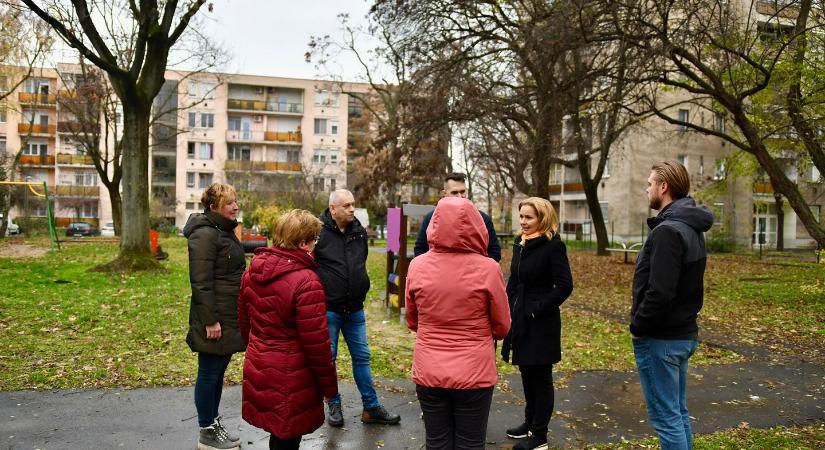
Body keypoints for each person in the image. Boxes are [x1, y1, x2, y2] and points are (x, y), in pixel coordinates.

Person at [406, 196, 511, 450]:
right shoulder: (488, 268)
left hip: (430, 368)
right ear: (477, 224)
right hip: (474, 372)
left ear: (435, 224)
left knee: (436, 441)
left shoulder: (417, 265)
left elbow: (412, 319)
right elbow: (502, 324)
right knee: (471, 443)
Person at [238, 209, 338, 450]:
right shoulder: (306, 281)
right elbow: (317, 345)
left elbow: (243, 323)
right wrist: (329, 388)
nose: (315, 245)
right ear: (303, 243)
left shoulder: (251, 271)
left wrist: (257, 349)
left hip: (260, 363)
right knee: (288, 437)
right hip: (292, 372)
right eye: (314, 240)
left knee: (280, 433)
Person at [631, 161, 713, 450]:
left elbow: (660, 291)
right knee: (677, 414)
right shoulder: (690, 227)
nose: (647, 188)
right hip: (682, 333)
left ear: (663, 187)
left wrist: (638, 327)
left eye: (650, 182)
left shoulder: (668, 231)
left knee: (667, 418)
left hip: (662, 338)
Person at [315, 189, 401, 427]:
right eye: (346, 206)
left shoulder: (358, 232)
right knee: (328, 360)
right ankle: (333, 404)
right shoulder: (318, 232)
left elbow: (359, 263)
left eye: (353, 204)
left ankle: (371, 408)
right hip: (328, 309)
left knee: (362, 358)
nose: (352, 209)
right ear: (333, 209)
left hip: (355, 309)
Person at [501, 197, 573, 450]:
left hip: (541, 323)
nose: (523, 222)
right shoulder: (521, 245)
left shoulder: (553, 246)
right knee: (526, 372)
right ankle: (530, 423)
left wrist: (536, 309)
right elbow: (515, 280)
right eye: (521, 216)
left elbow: (565, 285)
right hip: (520, 319)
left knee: (540, 377)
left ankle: (540, 434)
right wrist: (507, 307)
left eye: (529, 217)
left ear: (542, 218)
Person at [183, 183, 246, 450]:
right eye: (230, 202)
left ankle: (213, 423)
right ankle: (206, 431)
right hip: (215, 318)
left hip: (227, 314)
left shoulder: (222, 231)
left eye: (235, 201)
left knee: (218, 373)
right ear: (214, 207)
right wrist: (210, 321)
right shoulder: (205, 234)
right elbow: (201, 282)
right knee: (209, 373)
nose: (235, 206)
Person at [414, 172, 501, 261]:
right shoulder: (431, 218)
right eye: (454, 192)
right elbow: (420, 250)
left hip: (473, 273)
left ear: (467, 190)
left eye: (462, 191)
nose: (460, 196)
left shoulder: (483, 219)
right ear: (445, 194)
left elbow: (494, 253)